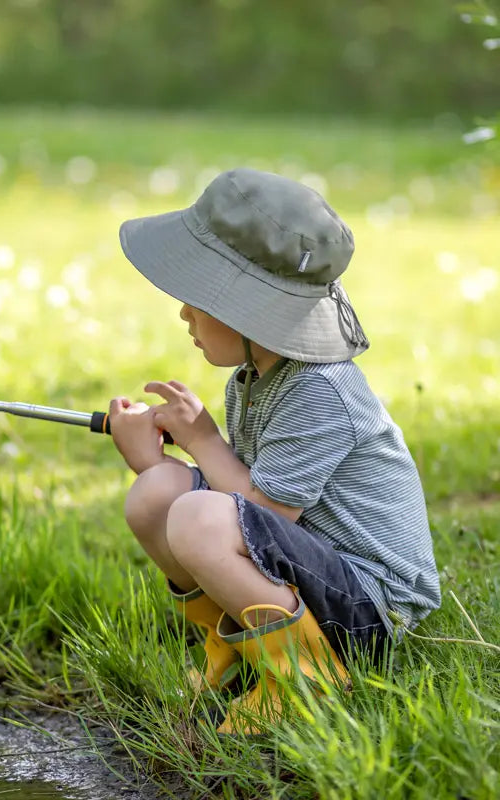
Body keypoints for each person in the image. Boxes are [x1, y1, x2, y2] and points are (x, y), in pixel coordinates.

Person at [108, 168, 441, 735]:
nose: (183, 314)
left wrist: (204, 441)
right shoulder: (254, 378)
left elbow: (262, 514)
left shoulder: (320, 389)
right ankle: (233, 648)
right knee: (155, 495)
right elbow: (236, 509)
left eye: (195, 298)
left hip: (367, 607)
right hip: (308, 570)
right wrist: (153, 462)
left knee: (193, 513)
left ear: (248, 310)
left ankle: (306, 675)